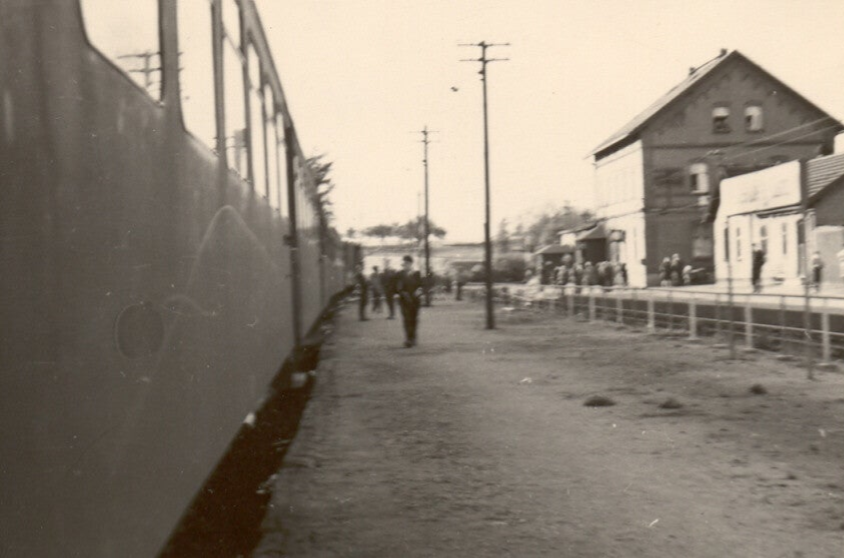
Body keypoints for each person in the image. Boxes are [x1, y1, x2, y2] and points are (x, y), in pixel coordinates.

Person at [395, 255, 423, 347]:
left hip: (415, 300)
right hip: (404, 300)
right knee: (406, 319)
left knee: (414, 319)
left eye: (406, 263)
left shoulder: (417, 274)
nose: (404, 265)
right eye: (403, 263)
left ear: (411, 264)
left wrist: (418, 291)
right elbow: (398, 287)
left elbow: (421, 285)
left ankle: (413, 337)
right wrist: (401, 292)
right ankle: (408, 339)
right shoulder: (400, 274)